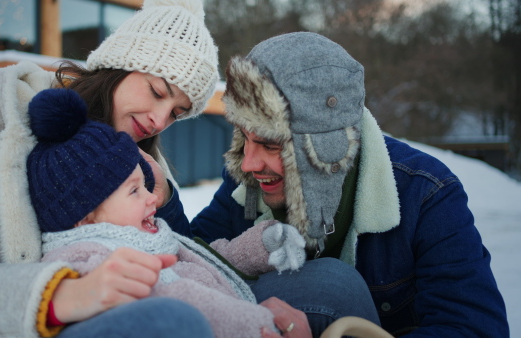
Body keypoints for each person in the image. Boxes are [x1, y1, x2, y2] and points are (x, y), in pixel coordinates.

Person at [164, 32, 510, 337]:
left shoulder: (426, 194)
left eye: (271, 144)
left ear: (326, 146)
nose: (250, 163)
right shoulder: (248, 180)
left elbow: (474, 328)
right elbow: (191, 268)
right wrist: (163, 198)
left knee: (330, 284)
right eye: (245, 138)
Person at [0, 0, 222, 337]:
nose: (159, 120)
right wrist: (62, 295)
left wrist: (166, 201)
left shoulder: (142, 160)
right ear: (119, 65)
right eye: (155, 91)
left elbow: (183, 266)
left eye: (176, 113)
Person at [26, 87, 308, 338]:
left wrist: (262, 246)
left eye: (176, 113)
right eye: (135, 191)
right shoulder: (87, 258)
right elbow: (177, 295)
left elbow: (199, 259)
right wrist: (259, 324)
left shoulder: (138, 233)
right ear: (85, 215)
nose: (153, 199)